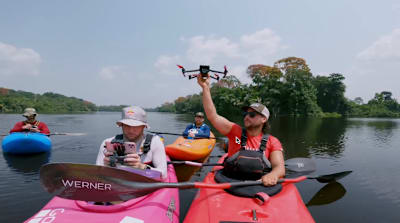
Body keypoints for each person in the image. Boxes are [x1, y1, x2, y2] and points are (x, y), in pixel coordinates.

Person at [196, 74, 285, 186]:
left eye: (252, 114)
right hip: (230, 183)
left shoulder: (272, 141)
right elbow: (212, 116)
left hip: (258, 186)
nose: (247, 117)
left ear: (264, 119)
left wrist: (273, 175)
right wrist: (205, 87)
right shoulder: (235, 132)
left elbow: (279, 167)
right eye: (245, 114)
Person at [96, 106, 168, 179]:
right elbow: (98, 174)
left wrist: (141, 167)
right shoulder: (107, 143)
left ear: (143, 126)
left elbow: (163, 175)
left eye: (136, 126)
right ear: (122, 125)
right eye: (127, 125)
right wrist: (106, 167)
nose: (131, 130)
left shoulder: (155, 142)